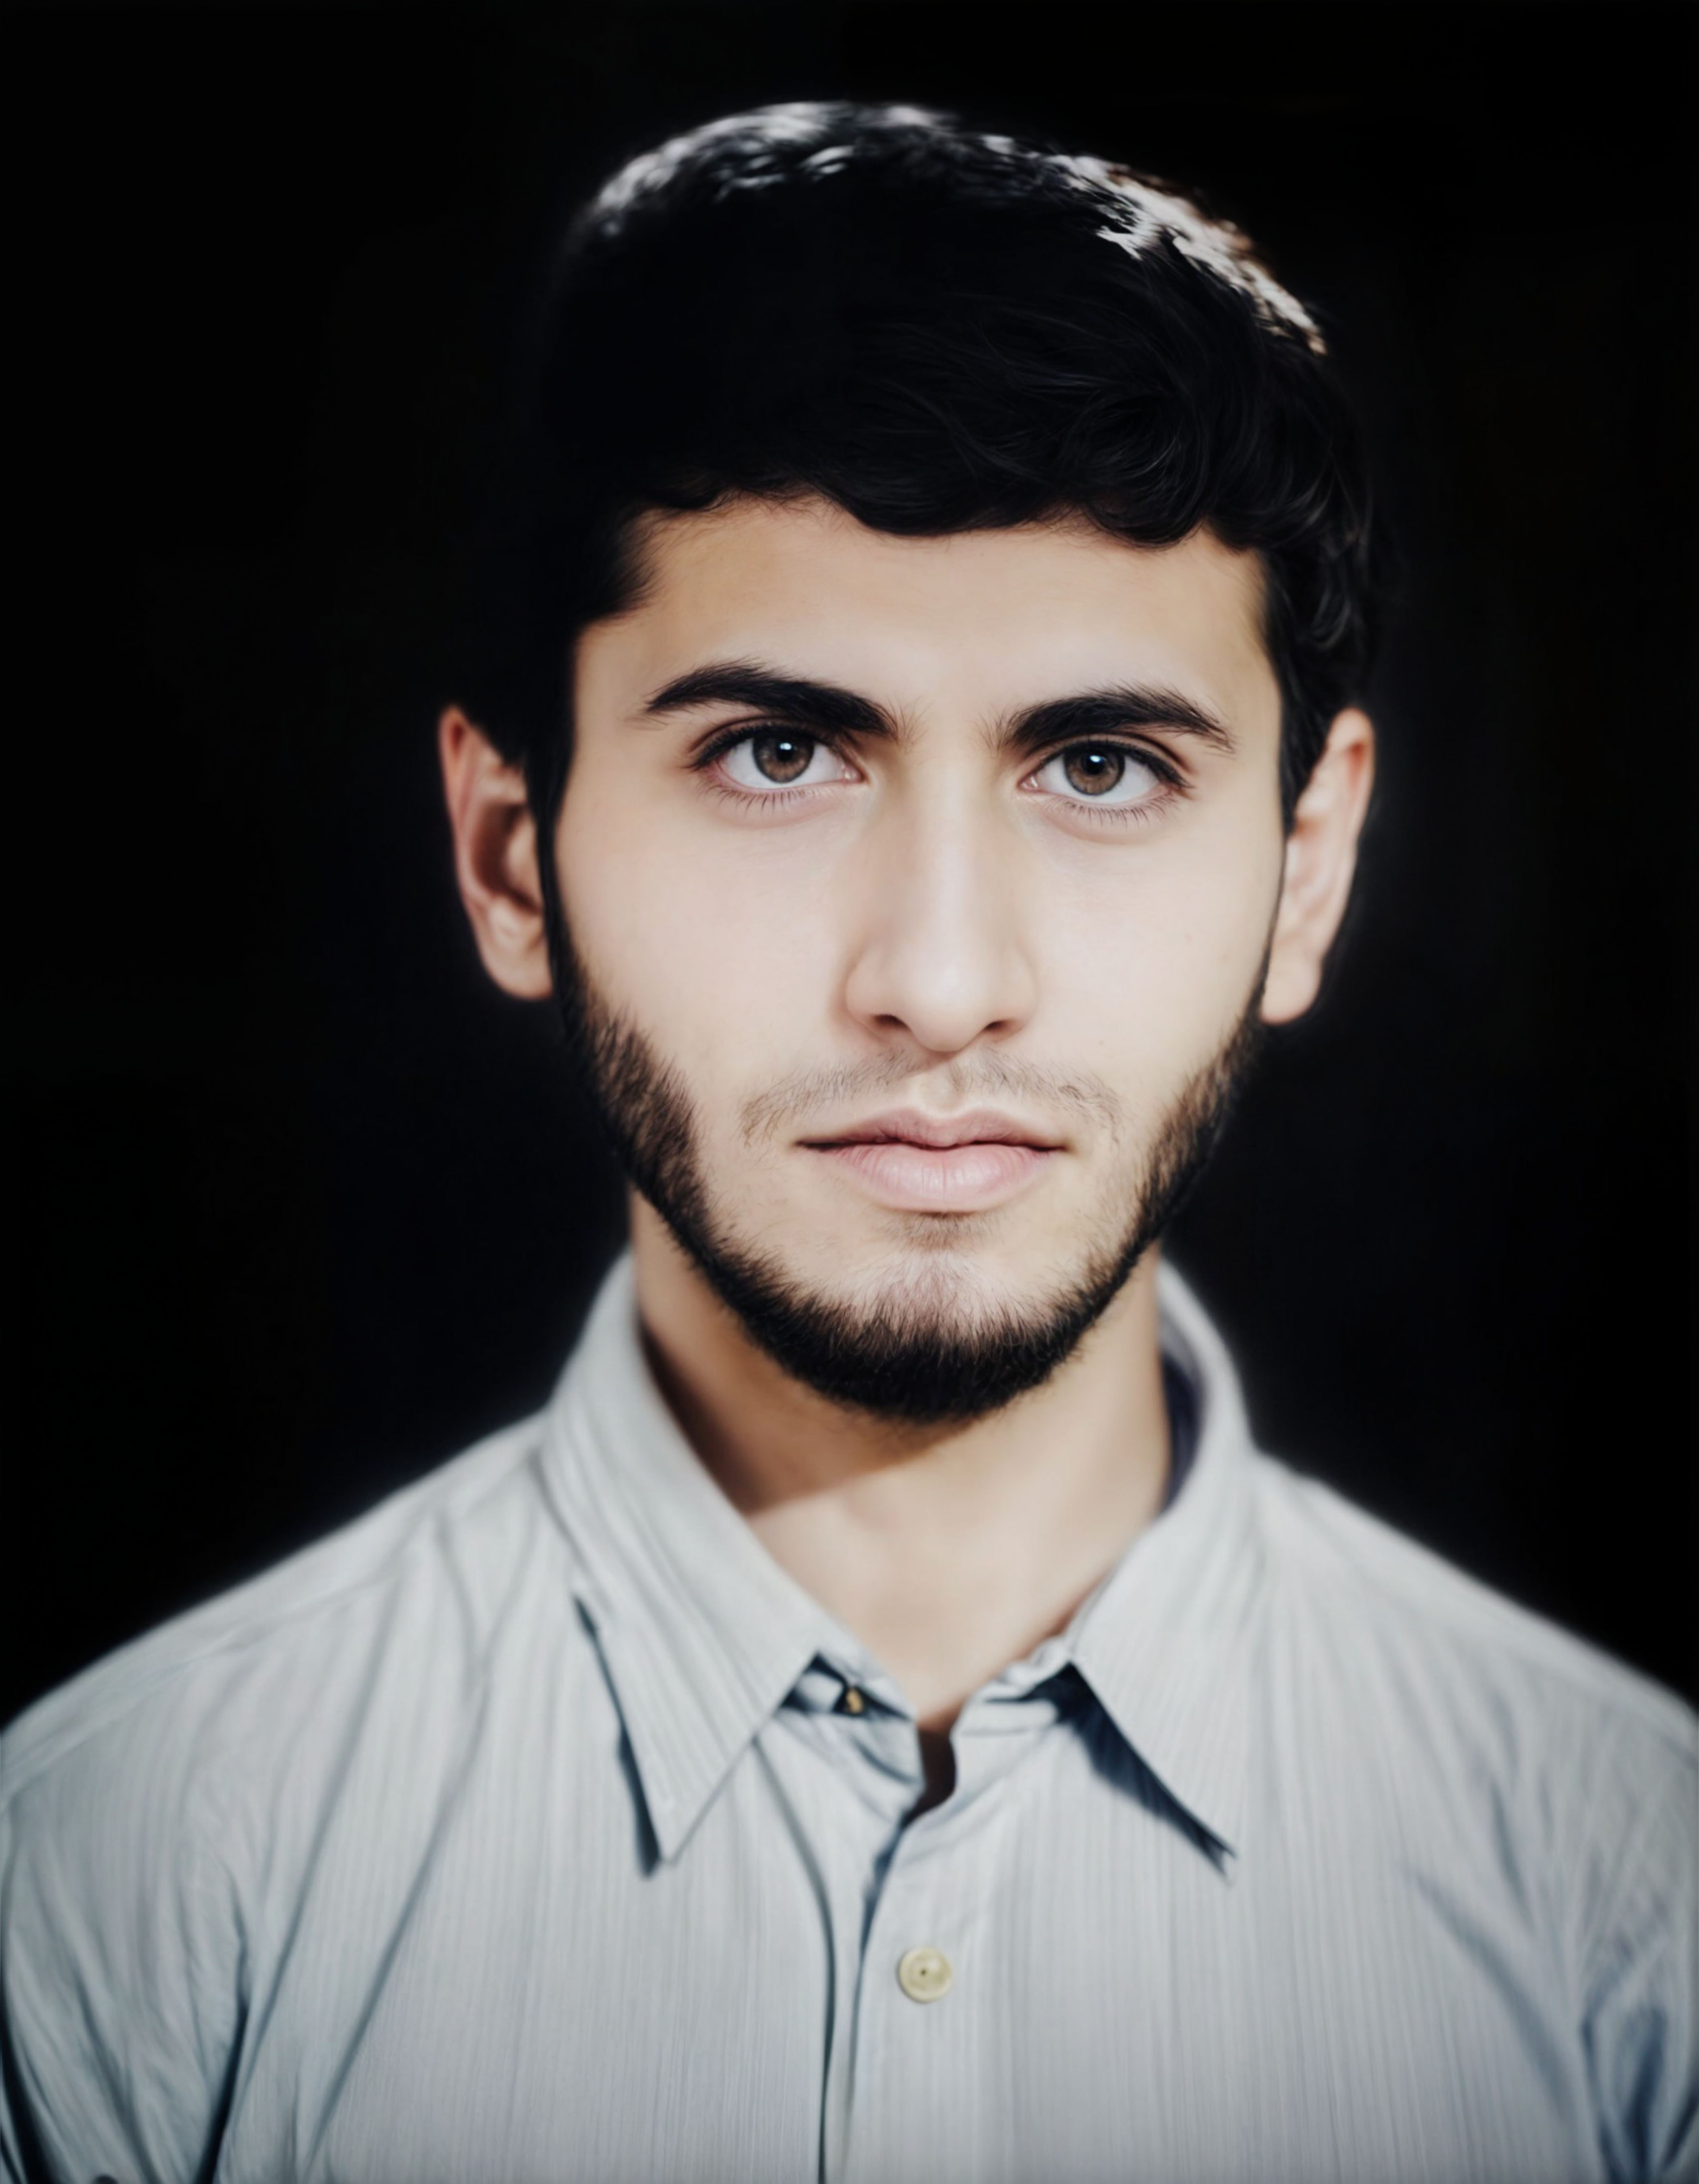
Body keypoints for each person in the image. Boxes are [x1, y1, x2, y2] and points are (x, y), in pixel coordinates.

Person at [1, 100, 1692, 2184]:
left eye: (1100, 765)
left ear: (1308, 866)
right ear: (511, 856)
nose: (941, 982)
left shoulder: (1643, 1919)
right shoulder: (105, 1901)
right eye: (777, 751)